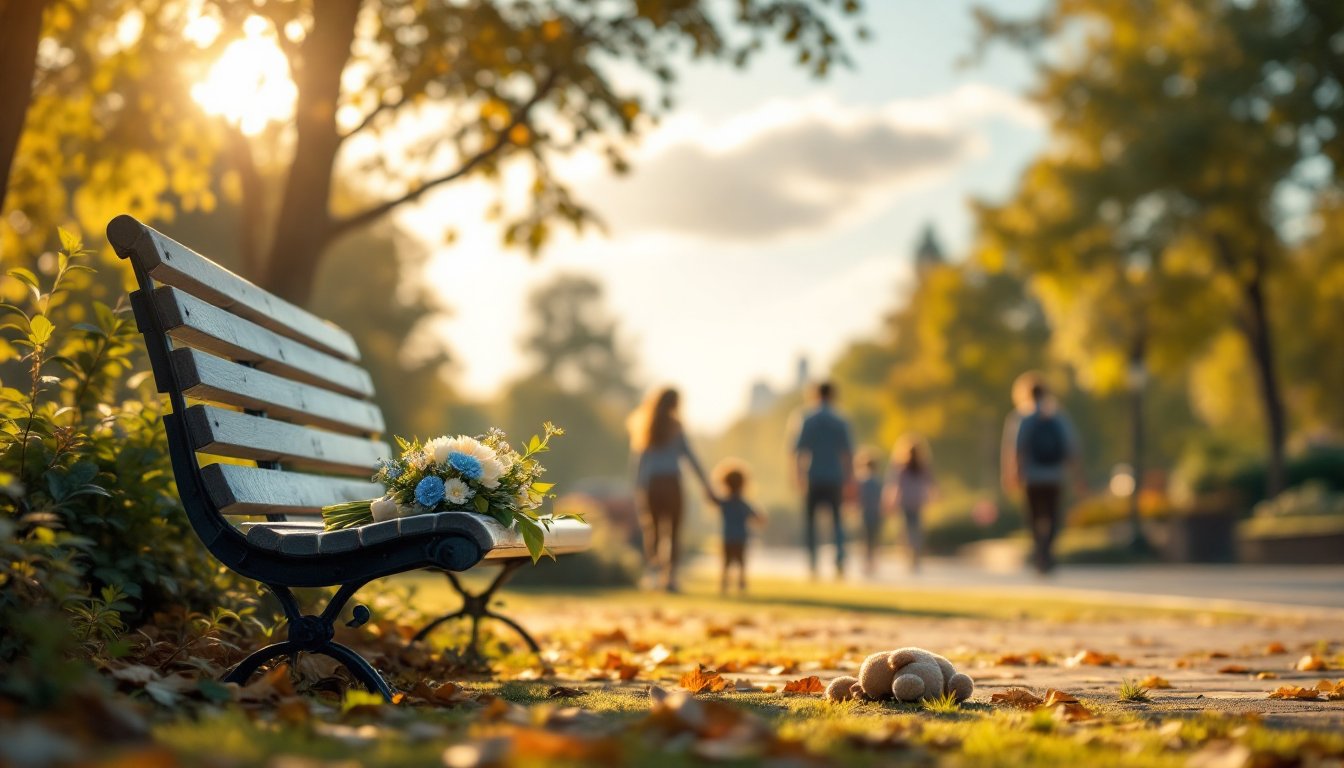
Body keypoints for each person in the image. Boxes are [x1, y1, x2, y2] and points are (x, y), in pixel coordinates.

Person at [627, 387, 714, 592]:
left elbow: (638, 462)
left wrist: (638, 488)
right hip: (672, 483)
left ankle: (653, 574)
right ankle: (670, 578)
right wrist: (706, 484)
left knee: (653, 530)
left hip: (652, 484)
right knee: (673, 532)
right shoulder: (676, 427)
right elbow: (690, 457)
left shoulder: (646, 427)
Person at [1000, 373, 1082, 575]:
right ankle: (1047, 550)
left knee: (1034, 517)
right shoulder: (1058, 417)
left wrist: (1011, 474)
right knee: (1053, 516)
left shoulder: (1021, 417)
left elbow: (1015, 448)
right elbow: (1071, 447)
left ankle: (1040, 551)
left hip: (1032, 476)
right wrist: (1078, 475)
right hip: (1055, 475)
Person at [791, 381, 854, 579]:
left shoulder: (807, 419)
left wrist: (798, 475)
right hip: (835, 476)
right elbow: (847, 453)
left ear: (814, 395)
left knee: (811, 522)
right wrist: (849, 479)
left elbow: (798, 451)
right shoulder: (841, 420)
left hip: (814, 476)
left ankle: (812, 563)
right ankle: (840, 560)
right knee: (837, 522)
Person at [884, 438, 936, 573]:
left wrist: (892, 502)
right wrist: (933, 497)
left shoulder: (902, 468)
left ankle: (909, 555)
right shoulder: (922, 467)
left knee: (907, 530)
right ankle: (915, 556)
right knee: (916, 529)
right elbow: (931, 483)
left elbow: (896, 487)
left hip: (906, 502)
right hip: (917, 501)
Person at [712, 459, 762, 595]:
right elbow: (757, 516)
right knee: (741, 564)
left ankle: (724, 585)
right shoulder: (743, 503)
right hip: (741, 539)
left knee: (726, 564)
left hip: (727, 538)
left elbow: (712, 499)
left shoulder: (725, 502)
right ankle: (741, 584)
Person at [854, 450, 884, 577]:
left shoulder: (862, 481)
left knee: (866, 539)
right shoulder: (878, 482)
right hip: (876, 514)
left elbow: (858, 499)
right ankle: (872, 561)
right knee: (873, 539)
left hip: (866, 514)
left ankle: (867, 562)